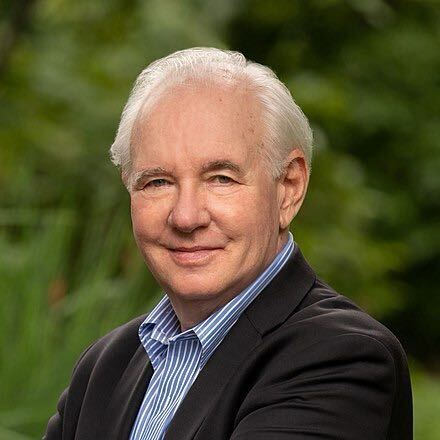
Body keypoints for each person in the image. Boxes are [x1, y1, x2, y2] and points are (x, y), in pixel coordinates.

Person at [44, 47, 412, 440]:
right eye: (158, 182)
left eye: (221, 178)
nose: (186, 217)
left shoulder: (342, 358)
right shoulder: (104, 368)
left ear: (288, 187)